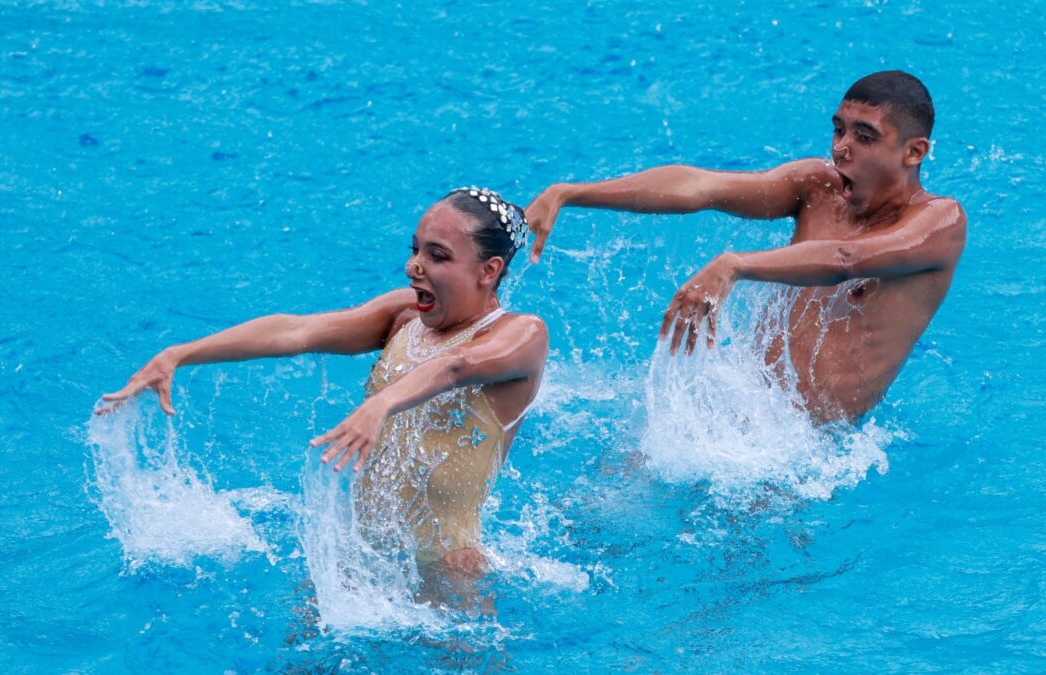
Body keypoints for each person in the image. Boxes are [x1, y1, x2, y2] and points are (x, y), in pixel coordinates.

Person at [100, 187, 549, 579]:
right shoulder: (404, 315)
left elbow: (458, 365)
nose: (414, 266)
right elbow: (297, 332)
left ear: (488, 270)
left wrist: (381, 404)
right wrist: (180, 354)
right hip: (356, 559)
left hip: (445, 571)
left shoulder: (522, 334)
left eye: (437, 256)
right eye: (414, 250)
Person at [524, 70, 965, 424]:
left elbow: (845, 259)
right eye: (838, 130)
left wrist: (734, 264)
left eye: (864, 137)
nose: (841, 148)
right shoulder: (818, 186)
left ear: (914, 151)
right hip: (735, 409)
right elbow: (702, 186)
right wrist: (570, 192)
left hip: (809, 453)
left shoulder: (939, 223)